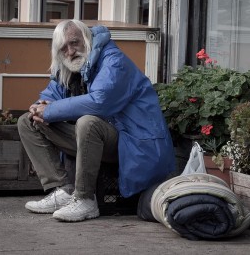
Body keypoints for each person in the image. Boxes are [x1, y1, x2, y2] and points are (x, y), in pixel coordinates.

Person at [17, 19, 175, 222]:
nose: (70, 51)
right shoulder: (68, 67)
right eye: (63, 48)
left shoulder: (113, 61)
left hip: (135, 144)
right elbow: (52, 94)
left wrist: (50, 111)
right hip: (101, 141)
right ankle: (63, 191)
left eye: (74, 43)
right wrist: (39, 106)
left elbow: (100, 102)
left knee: (88, 122)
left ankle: (85, 200)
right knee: (28, 121)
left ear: (87, 38)